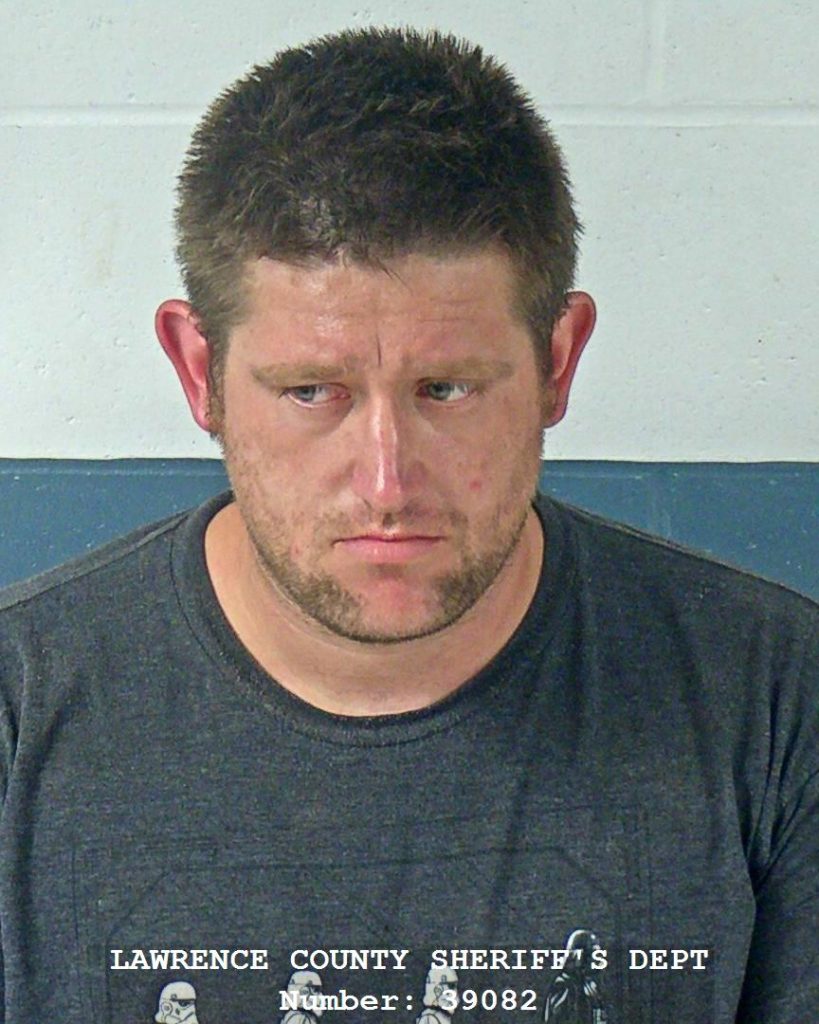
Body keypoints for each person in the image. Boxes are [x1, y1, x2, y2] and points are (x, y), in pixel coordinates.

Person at [0, 25, 816, 1024]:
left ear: (557, 361)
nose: (387, 481)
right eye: (312, 391)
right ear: (197, 370)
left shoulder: (777, 701)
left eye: (448, 389)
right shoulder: (20, 713)